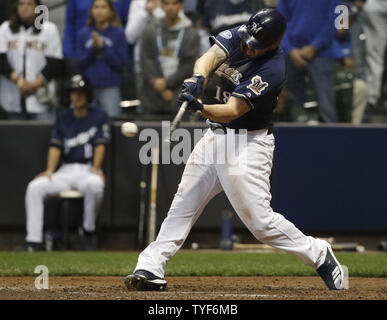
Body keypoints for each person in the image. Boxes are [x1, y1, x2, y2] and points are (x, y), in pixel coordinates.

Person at [124, 9, 349, 291]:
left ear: (274, 44)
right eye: (246, 41)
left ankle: (318, 253)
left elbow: (232, 111)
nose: (247, 48)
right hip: (215, 138)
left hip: (248, 143)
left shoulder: (273, 69)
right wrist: (197, 78)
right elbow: (209, 57)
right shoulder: (245, 33)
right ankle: (150, 265)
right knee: (182, 204)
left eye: (255, 46)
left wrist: (201, 107)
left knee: (260, 224)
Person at [18, 74, 110, 251]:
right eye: (73, 93)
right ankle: (33, 241)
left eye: (80, 93)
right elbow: (55, 146)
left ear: (88, 95)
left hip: (87, 168)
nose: (76, 97)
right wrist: (50, 170)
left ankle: (89, 231)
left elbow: (101, 145)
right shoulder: (63, 117)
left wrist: (97, 169)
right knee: (35, 187)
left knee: (95, 185)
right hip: (66, 170)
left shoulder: (99, 115)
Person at [277, 0, 340, 123]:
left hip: (321, 53)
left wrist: (315, 46)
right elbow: (279, 21)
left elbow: (335, 19)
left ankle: (332, 141)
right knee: (290, 109)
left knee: (326, 108)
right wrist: (290, 50)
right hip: (291, 55)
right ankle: (292, 141)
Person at [0, 0, 63, 120]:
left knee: (43, 136)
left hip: (41, 98)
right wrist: (19, 81)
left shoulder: (49, 29)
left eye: (29, 4)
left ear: (38, 8)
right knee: (15, 137)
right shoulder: (5, 29)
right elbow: (1, 60)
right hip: (13, 95)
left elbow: (55, 63)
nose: (25, 8)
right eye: (21, 4)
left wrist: (33, 84)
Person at [138, 0, 200, 116]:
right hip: (152, 96)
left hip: (179, 96)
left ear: (181, 6)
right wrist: (159, 84)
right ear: (162, 6)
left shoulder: (191, 33)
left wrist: (167, 83)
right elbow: (146, 59)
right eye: (167, 3)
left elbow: (189, 65)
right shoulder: (150, 30)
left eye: (174, 3)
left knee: (179, 134)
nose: (170, 7)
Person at [76, 0, 128, 118]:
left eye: (103, 7)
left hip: (110, 87)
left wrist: (103, 48)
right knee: (85, 123)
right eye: (96, 7)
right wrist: (93, 49)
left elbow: (121, 64)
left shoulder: (118, 33)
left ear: (110, 11)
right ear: (91, 11)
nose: (99, 11)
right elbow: (79, 63)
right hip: (87, 89)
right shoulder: (83, 34)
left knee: (112, 123)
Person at [363, 0, 387, 111]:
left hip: (374, 7)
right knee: (376, 56)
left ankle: (372, 99)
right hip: (375, 8)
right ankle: (372, 100)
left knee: (375, 56)